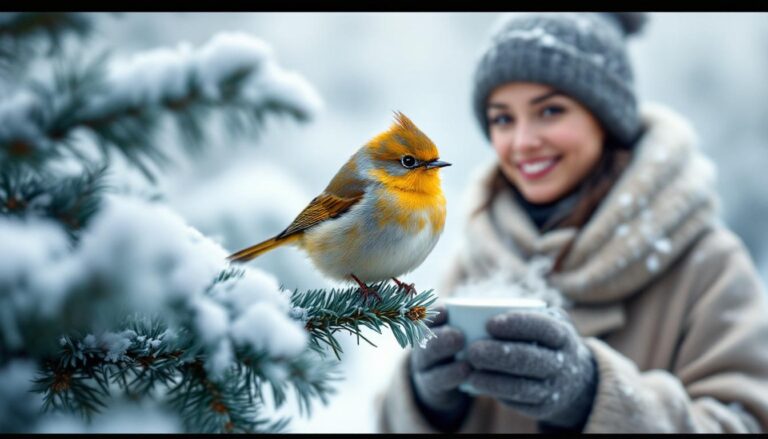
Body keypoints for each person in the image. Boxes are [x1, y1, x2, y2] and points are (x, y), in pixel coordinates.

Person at [377, 12, 768, 433]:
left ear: (607, 118)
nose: (523, 142)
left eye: (550, 111)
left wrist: (592, 396)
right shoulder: (479, 251)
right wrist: (425, 401)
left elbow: (746, 422)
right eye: (503, 118)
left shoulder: (707, 263)